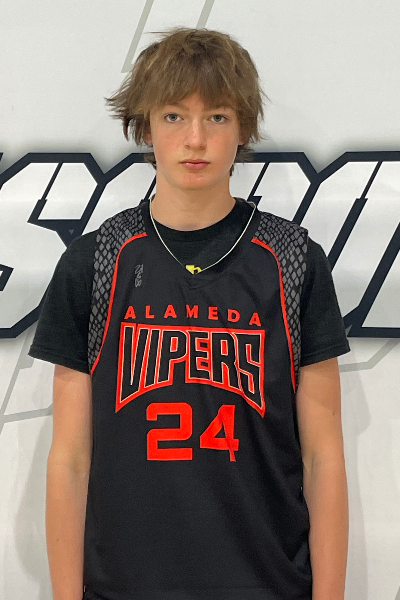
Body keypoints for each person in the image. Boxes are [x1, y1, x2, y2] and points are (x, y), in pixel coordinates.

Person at [29, 27, 350, 600]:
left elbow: (323, 457)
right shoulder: (95, 261)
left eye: (217, 117)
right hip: (124, 585)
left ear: (243, 128)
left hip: (267, 583)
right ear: (145, 125)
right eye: (174, 116)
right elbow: (71, 459)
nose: (195, 139)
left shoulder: (294, 260)